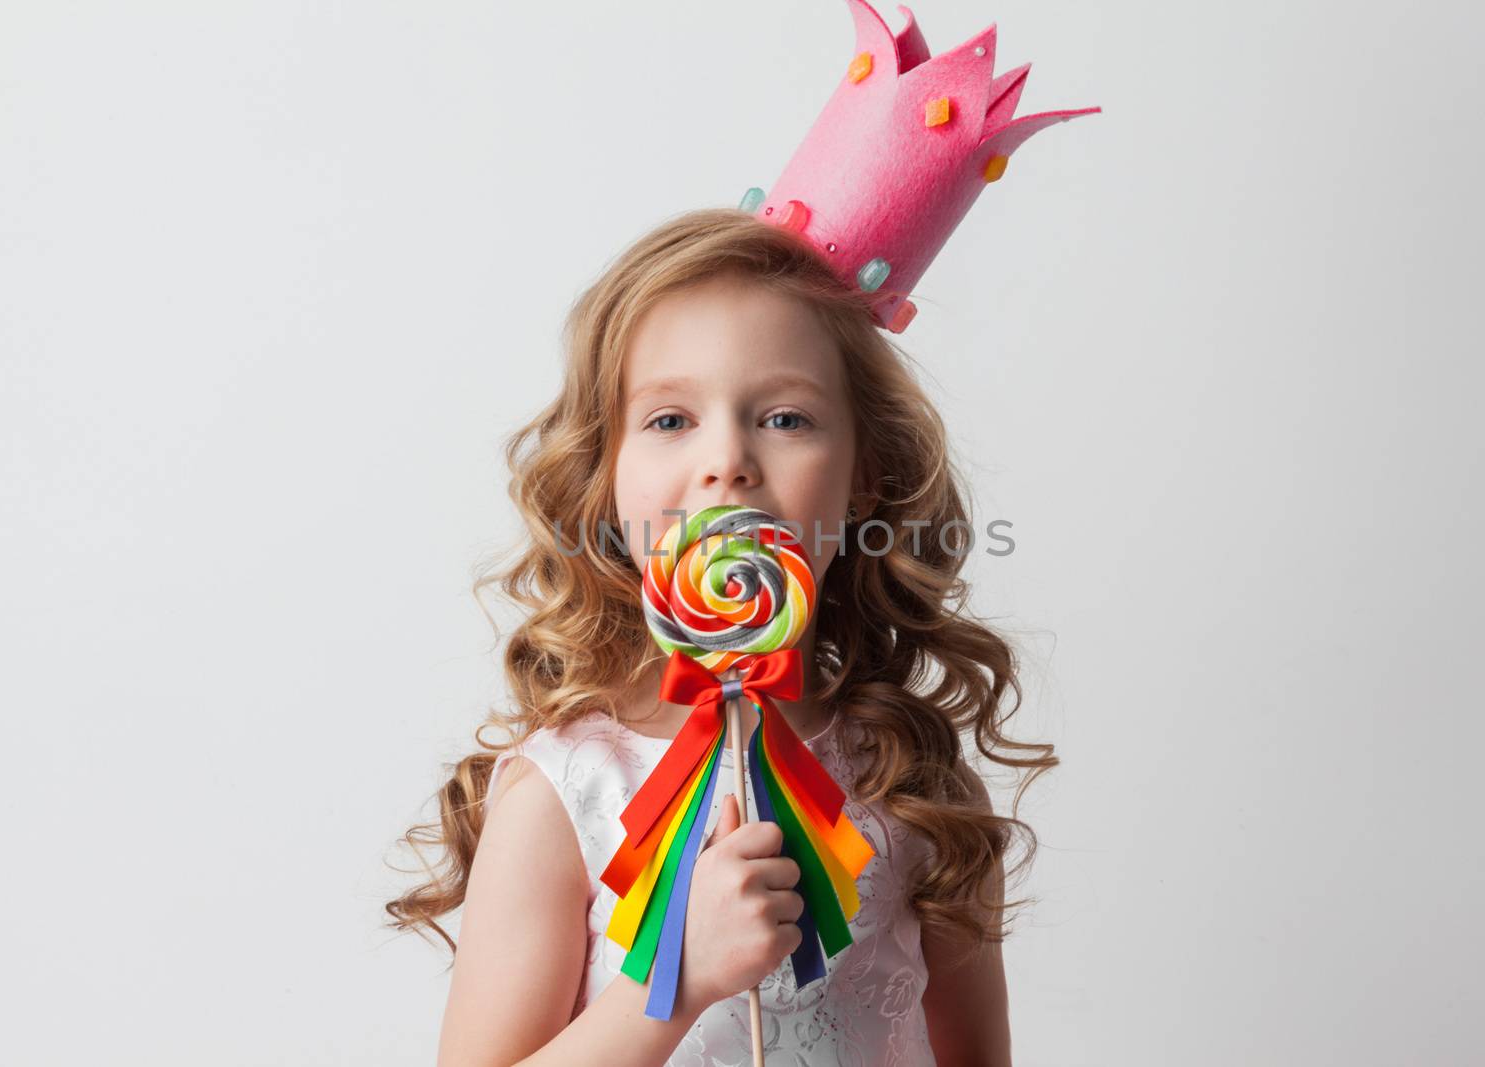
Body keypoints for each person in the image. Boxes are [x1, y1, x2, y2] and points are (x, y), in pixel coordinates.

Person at [384, 206, 1061, 1066]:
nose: (727, 460)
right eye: (670, 419)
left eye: (785, 418)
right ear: (604, 481)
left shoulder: (918, 780)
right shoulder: (562, 793)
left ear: (865, 479)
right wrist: (673, 982)